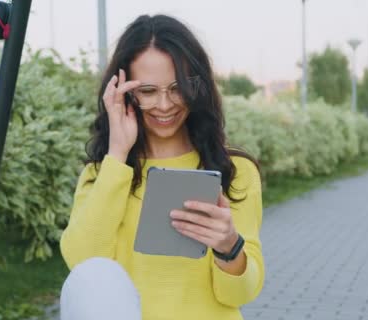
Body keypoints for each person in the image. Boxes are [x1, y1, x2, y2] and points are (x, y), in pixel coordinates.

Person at [59, 14, 265, 320]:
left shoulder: (235, 171)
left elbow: (241, 294)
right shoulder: (102, 174)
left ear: (198, 87)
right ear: (124, 92)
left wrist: (228, 247)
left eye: (177, 87)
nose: (165, 105)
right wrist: (118, 152)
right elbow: (83, 265)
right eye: (148, 91)